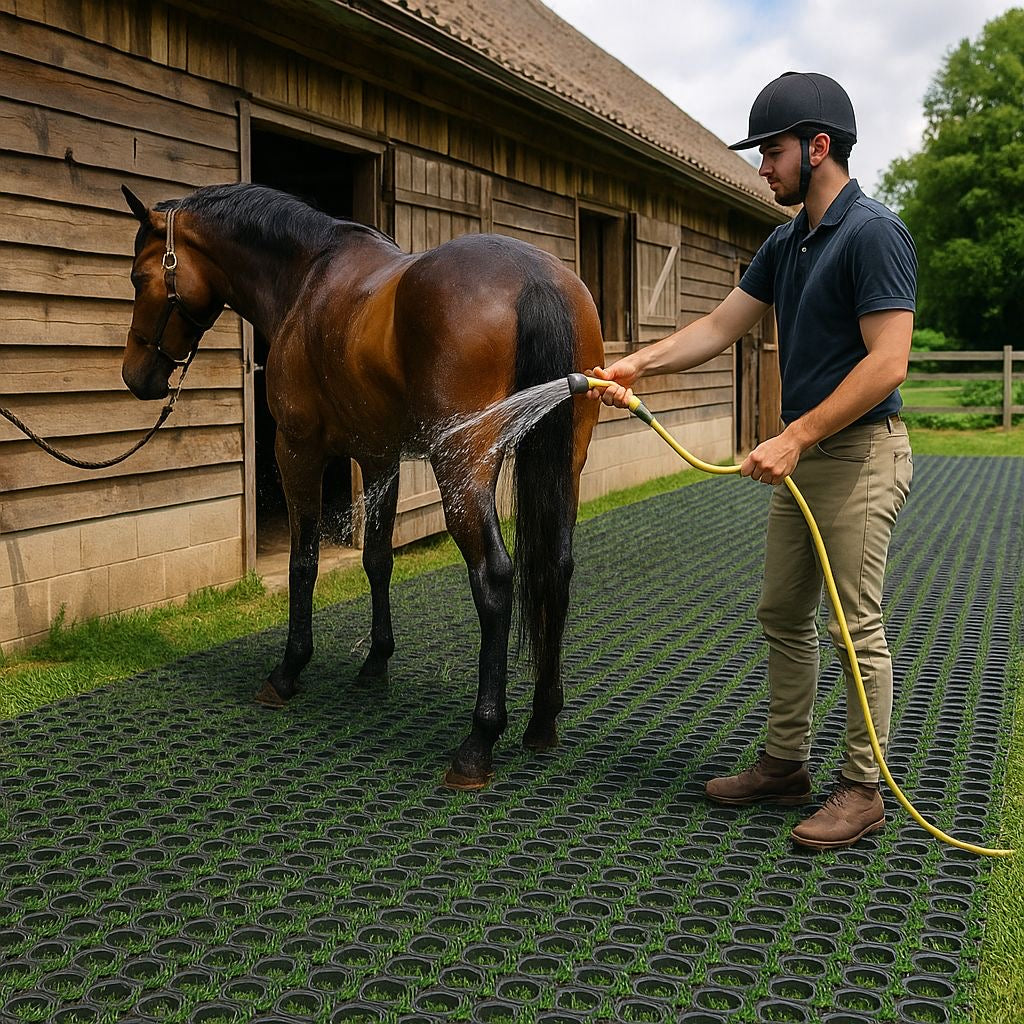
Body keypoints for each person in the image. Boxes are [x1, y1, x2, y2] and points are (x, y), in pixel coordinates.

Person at [588, 71, 916, 850]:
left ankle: (864, 788)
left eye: (771, 151)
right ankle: (784, 765)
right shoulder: (788, 239)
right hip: (807, 459)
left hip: (861, 454)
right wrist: (640, 363)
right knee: (780, 613)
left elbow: (889, 362)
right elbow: (722, 323)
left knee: (852, 625)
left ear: (819, 147)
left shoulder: (874, 233)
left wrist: (796, 434)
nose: (761, 167)